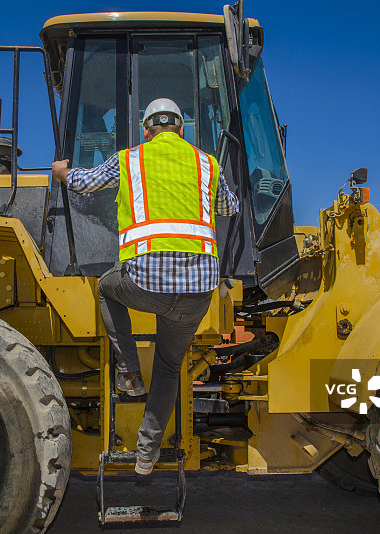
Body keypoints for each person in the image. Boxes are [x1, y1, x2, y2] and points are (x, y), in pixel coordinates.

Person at [52, 98, 239, 475]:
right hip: (198, 291)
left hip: (145, 284)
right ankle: (146, 455)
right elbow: (229, 208)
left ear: (146, 130)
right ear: (182, 129)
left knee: (106, 288)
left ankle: (131, 373)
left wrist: (61, 172)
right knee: (170, 367)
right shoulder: (207, 163)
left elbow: (84, 184)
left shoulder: (130, 158)